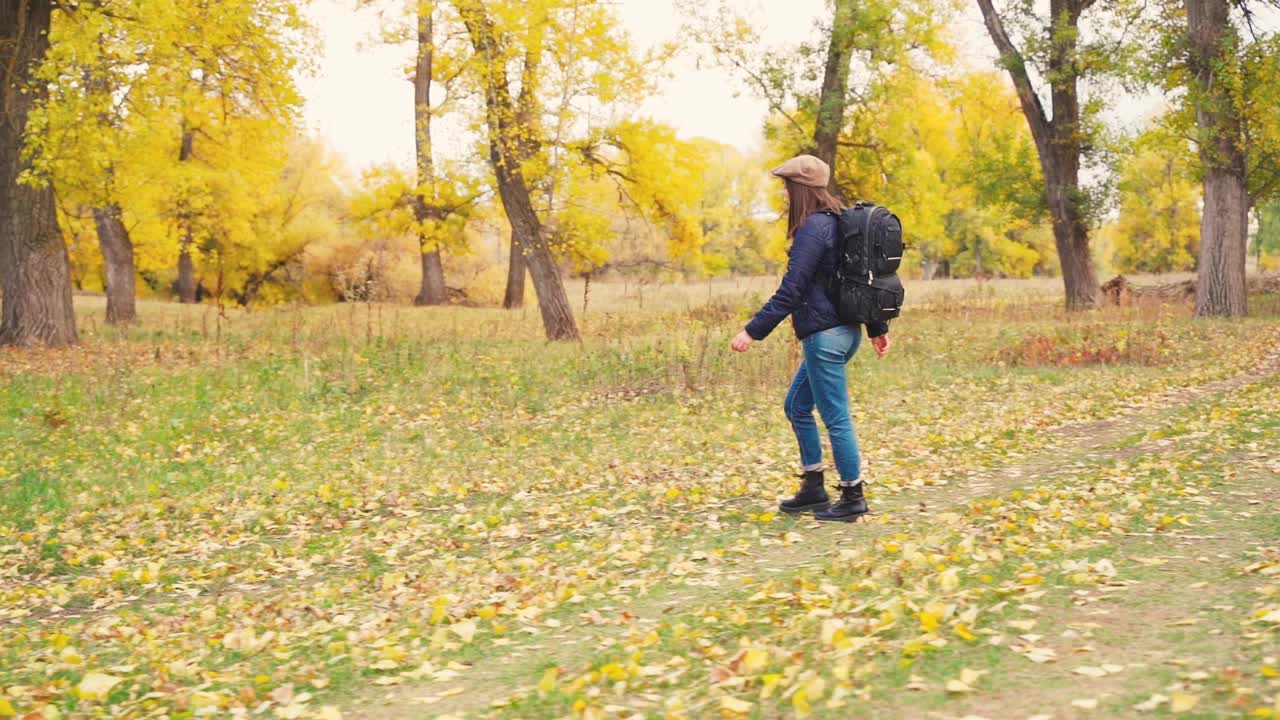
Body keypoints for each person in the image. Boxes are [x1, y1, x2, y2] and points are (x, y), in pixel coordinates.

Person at [730, 154, 891, 523]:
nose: (785, 196)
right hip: (844, 333)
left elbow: (792, 288)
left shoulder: (813, 228)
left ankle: (852, 495)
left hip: (824, 338)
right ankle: (814, 486)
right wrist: (877, 329)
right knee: (796, 407)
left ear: (800, 189)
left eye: (787, 188)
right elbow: (862, 280)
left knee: (836, 418)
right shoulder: (840, 223)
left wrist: (751, 331)